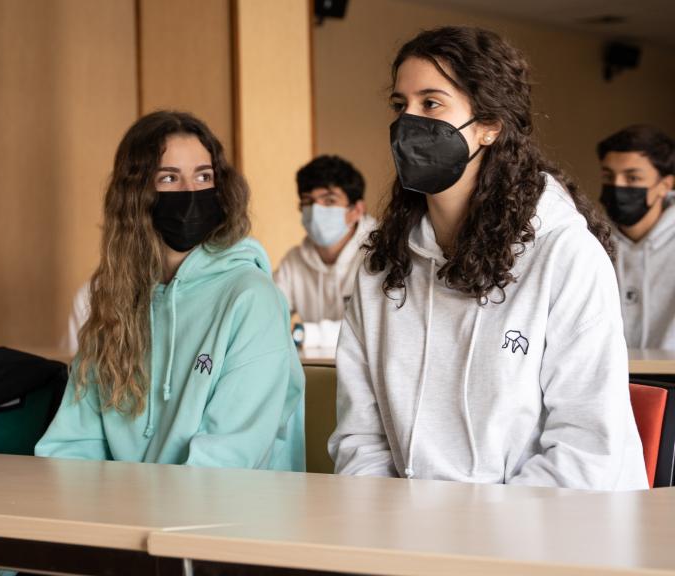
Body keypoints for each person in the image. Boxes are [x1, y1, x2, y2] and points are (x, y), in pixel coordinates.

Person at [329, 26, 647, 490]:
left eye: (431, 104)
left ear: (489, 126)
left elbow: (585, 447)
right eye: (400, 106)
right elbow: (361, 437)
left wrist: (478, 538)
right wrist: (388, 525)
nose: (407, 122)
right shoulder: (382, 265)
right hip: (409, 538)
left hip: (549, 535)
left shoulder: (565, 255)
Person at [35, 110, 305, 471]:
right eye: (169, 178)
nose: (190, 192)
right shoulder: (115, 299)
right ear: (137, 195)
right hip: (127, 517)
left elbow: (228, 458)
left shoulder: (251, 297)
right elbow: (71, 446)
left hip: (228, 518)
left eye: (203, 176)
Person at [274, 155, 377, 329]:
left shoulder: (380, 253)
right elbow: (268, 316)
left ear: (357, 210)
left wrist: (307, 335)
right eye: (308, 201)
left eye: (329, 200)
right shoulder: (293, 262)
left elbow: (372, 332)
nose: (316, 210)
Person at [598, 125, 675, 349]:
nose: (617, 186)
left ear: (664, 186)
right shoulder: (590, 240)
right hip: (611, 378)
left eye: (632, 178)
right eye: (608, 176)